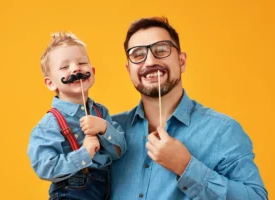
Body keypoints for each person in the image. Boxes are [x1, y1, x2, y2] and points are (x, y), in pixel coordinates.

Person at [110, 17, 268, 200]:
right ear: (129, 70)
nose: (150, 61)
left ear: (182, 61)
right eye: (137, 54)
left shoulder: (223, 130)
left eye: (161, 50)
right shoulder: (110, 131)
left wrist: (186, 167)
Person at [27, 32, 127, 200]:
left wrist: (104, 128)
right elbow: (44, 167)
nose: (76, 69)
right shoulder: (50, 123)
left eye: (82, 63)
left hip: (106, 190)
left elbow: (120, 151)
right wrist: (84, 154)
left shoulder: (100, 112)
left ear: (92, 72)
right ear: (51, 83)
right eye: (64, 67)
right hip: (72, 193)